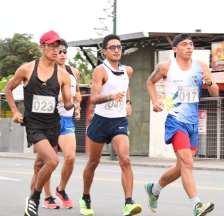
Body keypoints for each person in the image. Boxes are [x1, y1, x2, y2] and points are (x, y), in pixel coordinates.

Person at [145, 33, 219, 216]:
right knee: (187, 162)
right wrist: (155, 101)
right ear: (175, 49)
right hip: (175, 120)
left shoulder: (200, 66)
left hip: (192, 122)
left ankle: (154, 189)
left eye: (191, 44)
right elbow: (150, 82)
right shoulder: (165, 66)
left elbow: (215, 92)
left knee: (182, 167)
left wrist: (209, 83)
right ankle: (197, 205)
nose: (189, 47)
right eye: (185, 44)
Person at [5, 30, 75, 216]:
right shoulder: (27, 69)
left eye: (57, 46)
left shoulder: (63, 75)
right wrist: (15, 111)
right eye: (51, 46)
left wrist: (71, 101)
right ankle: (35, 198)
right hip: (34, 124)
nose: (55, 50)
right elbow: (8, 89)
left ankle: (31, 201)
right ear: (42, 46)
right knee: (52, 161)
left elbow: (68, 103)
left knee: (40, 164)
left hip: (53, 124)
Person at [79, 34, 142, 216]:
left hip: (119, 121)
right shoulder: (100, 71)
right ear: (104, 51)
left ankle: (129, 203)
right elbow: (94, 98)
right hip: (100, 121)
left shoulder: (127, 70)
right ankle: (85, 198)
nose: (116, 50)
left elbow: (126, 85)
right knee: (93, 162)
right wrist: (110, 97)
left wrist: (128, 102)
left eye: (119, 47)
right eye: (112, 47)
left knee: (125, 159)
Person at [42, 39, 81, 209]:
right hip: (49, 120)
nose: (62, 54)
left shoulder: (74, 71)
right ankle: (47, 196)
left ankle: (61, 189)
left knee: (70, 157)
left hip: (66, 119)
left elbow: (77, 92)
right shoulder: (46, 73)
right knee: (49, 161)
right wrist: (64, 98)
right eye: (59, 51)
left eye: (65, 51)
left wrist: (77, 107)